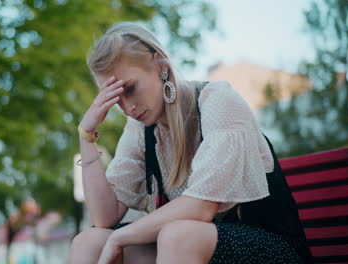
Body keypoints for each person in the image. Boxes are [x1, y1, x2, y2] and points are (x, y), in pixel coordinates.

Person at [69, 21, 313, 264]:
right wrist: (86, 135)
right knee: (89, 242)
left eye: (130, 88)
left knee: (178, 235)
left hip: (272, 250)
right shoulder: (140, 129)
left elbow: (201, 207)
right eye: (115, 99)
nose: (128, 108)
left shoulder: (218, 101)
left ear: (161, 65)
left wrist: (119, 238)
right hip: (191, 247)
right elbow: (104, 217)